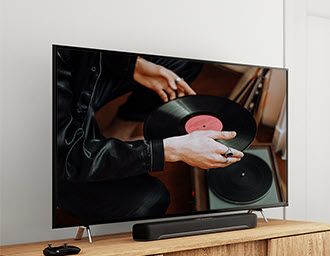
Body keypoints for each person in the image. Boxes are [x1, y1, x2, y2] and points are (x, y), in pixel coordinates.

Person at [54, 47, 244, 225]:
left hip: (80, 86)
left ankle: (117, 134)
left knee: (183, 62)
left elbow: (87, 51)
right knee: (151, 200)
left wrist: (133, 66)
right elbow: (68, 157)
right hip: (58, 159)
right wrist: (171, 150)